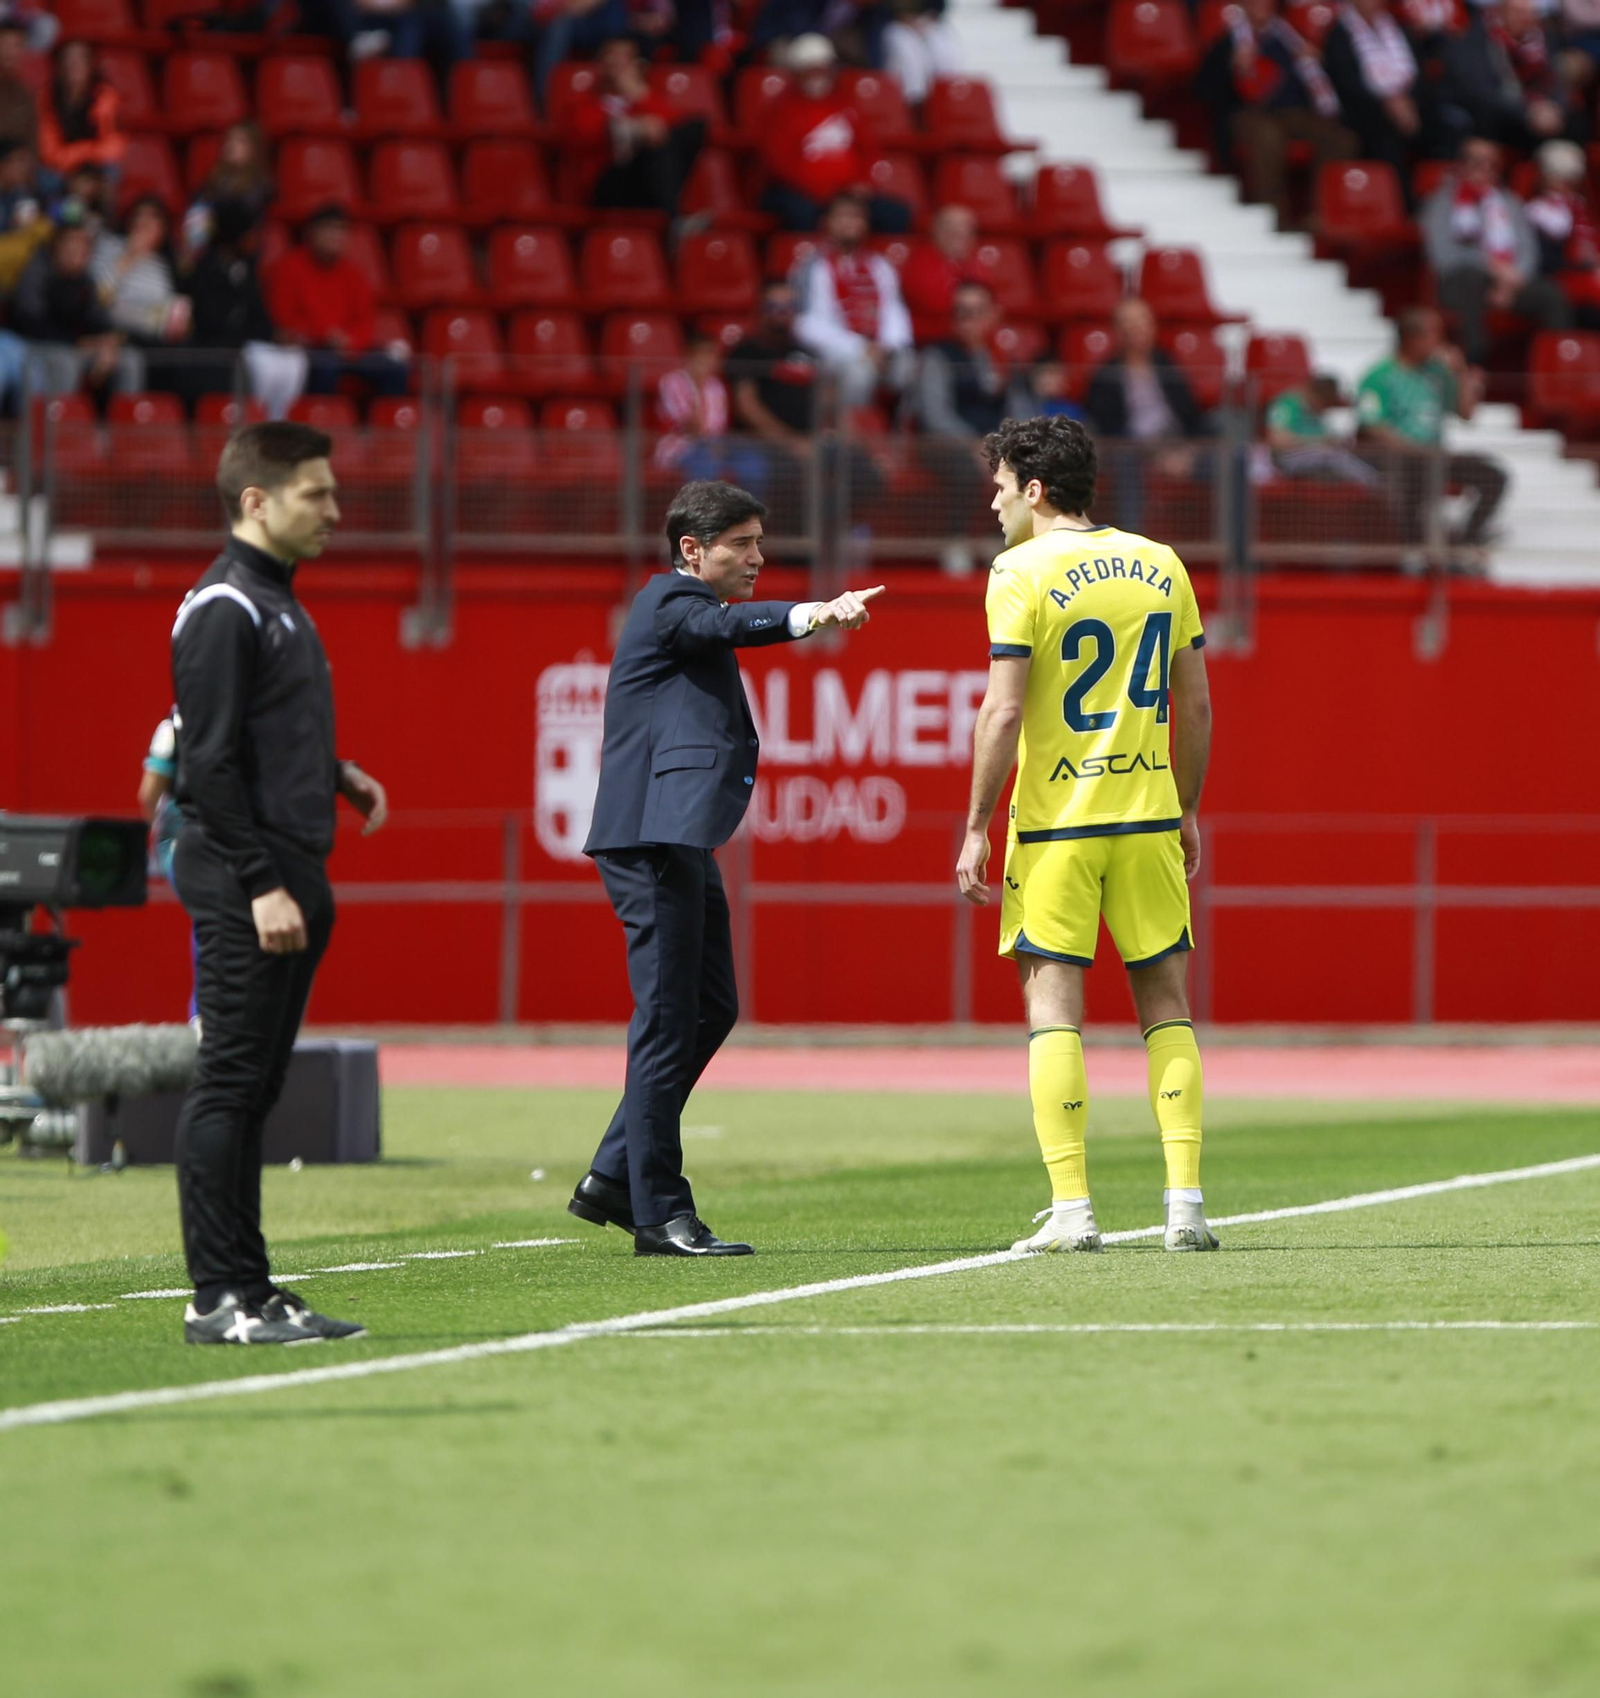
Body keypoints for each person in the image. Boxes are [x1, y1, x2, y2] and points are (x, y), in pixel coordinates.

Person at [572, 480, 885, 1256]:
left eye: (758, 541)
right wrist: (813, 613)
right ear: (691, 551)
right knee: (667, 1021)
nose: (758, 556)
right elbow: (722, 624)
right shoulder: (664, 601)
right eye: (741, 543)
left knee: (710, 1008)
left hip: (677, 837)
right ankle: (659, 1213)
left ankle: (615, 1176)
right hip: (651, 838)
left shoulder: (681, 609)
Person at [956, 413, 1217, 1255]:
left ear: (1034, 489)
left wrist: (973, 825)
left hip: (1060, 825)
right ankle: (1186, 1205)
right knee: (1166, 1005)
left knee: (1052, 1007)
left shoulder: (1017, 570)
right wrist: (1188, 807)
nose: (994, 506)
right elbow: (1199, 704)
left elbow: (1001, 709)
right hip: (1146, 816)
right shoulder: (1160, 561)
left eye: (999, 489)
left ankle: (1073, 1209)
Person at [169, 421, 390, 1344]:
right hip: (243, 876)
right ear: (255, 501)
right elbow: (205, 768)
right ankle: (215, 1296)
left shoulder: (276, 603)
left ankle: (254, 1290)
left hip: (292, 866)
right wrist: (261, 884)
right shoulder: (227, 605)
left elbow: (253, 735)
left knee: (256, 1088)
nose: (335, 510)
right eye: (316, 494)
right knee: (228, 1083)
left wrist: (334, 773)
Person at [1356, 304, 1508, 552]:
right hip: (1402, 459)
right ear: (1411, 339)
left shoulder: (1436, 373)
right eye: (1433, 335)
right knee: (1415, 482)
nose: (1440, 342)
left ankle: (1466, 539)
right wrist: (1413, 449)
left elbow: (1466, 413)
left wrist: (1461, 374)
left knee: (1493, 476)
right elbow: (1373, 425)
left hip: (1435, 456)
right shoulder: (1378, 376)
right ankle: (1414, 549)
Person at [1197, 0, 1356, 229]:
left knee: (1340, 138)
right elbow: (1203, 89)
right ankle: (1273, 218)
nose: (1261, 5)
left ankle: (1321, 216)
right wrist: (1230, 64)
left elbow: (1322, 84)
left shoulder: (1292, 39)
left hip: (1294, 112)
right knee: (1267, 137)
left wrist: (1320, 62)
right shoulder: (1229, 41)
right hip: (1250, 113)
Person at [1421, 135, 1572, 366]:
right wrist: (1492, 269)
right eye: (1477, 162)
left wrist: (1511, 280)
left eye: (1491, 163)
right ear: (1461, 165)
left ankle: (1555, 370)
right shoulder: (1441, 203)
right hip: (1463, 281)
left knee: (1551, 295)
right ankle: (1476, 362)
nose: (1485, 169)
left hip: (1512, 281)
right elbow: (1442, 255)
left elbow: (1528, 249)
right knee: (1470, 280)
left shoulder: (1509, 202)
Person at [915, 281, 1036, 570]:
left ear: (993, 314)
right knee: (963, 469)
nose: (969, 320)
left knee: (1025, 463)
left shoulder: (1004, 357)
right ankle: (955, 542)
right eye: (962, 312)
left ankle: (1006, 540)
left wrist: (1004, 446)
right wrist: (973, 445)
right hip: (944, 443)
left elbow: (1019, 410)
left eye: (977, 312)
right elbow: (935, 414)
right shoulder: (938, 356)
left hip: (994, 445)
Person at [760, 34, 911, 233]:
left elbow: (867, 149)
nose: (818, 76)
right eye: (811, 71)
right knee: (800, 214)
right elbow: (779, 163)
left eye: (822, 70)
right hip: (803, 193)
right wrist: (827, 193)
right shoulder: (782, 110)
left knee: (897, 214)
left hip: (848, 194)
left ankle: (867, 263)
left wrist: (862, 184)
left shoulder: (845, 106)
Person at [1322, 0, 1463, 199]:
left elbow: (1420, 72)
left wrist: (1409, 103)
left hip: (1410, 106)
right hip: (1367, 111)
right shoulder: (1340, 34)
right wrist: (1388, 104)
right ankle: (1402, 208)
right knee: (1386, 136)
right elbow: (1347, 84)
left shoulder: (1398, 27)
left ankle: (1442, 200)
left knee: (1452, 123)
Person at [268, 203, 408, 399]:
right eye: (329, 229)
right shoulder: (288, 268)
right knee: (326, 366)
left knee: (395, 369)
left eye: (341, 230)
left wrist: (349, 341)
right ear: (312, 232)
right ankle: (323, 423)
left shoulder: (354, 274)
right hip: (312, 349)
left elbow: (365, 322)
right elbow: (284, 316)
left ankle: (382, 427)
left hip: (349, 349)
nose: (335, 236)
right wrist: (324, 336)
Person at [187, 198, 309, 417]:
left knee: (293, 358)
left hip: (248, 347)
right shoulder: (205, 270)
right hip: (213, 355)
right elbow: (211, 322)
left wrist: (276, 335)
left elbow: (259, 317)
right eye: (250, 232)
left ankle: (277, 421)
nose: (255, 239)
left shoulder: (247, 270)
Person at [791, 191, 914, 407]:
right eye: (843, 216)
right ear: (827, 221)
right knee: (858, 372)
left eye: (856, 216)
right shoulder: (812, 267)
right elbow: (807, 323)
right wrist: (859, 348)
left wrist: (888, 347)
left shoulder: (880, 266)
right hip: (835, 349)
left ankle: (902, 436)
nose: (850, 222)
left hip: (880, 348)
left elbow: (894, 311)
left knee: (909, 367)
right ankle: (851, 435)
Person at [567, 36, 704, 221]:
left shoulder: (643, 99)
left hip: (646, 177)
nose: (619, 63)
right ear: (600, 64)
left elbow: (673, 125)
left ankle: (672, 220)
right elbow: (587, 134)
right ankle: (675, 221)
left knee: (692, 128)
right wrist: (637, 129)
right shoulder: (586, 103)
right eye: (611, 56)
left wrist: (638, 94)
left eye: (626, 58)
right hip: (608, 183)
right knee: (659, 144)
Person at [11, 217, 144, 397]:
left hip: (75, 345)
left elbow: (98, 319)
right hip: (34, 345)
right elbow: (30, 322)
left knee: (130, 360)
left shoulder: (85, 281)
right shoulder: (37, 272)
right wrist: (77, 342)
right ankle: (61, 420)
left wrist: (110, 341)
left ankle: (124, 421)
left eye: (83, 246)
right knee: (66, 362)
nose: (77, 252)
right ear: (56, 247)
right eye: (71, 244)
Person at [1441, 0, 1580, 150]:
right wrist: (1526, 112)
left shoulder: (1545, 38)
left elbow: (1558, 78)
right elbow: (1479, 90)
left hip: (1545, 115)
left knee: (1578, 123)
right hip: (1502, 118)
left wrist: (1555, 108)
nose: (1524, 18)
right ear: (1501, 12)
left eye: (1528, 13)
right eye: (1517, 13)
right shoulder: (1478, 37)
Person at [654, 331, 767, 490]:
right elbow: (692, 425)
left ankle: (749, 514)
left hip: (715, 446)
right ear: (689, 357)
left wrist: (719, 446)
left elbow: (718, 428)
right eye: (701, 356)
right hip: (681, 448)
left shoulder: (716, 387)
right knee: (704, 462)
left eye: (711, 356)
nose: (707, 362)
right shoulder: (672, 382)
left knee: (751, 462)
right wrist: (697, 386)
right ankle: (703, 514)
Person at [899, 203, 997, 343]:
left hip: (971, 345)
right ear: (936, 230)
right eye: (951, 228)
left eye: (966, 228)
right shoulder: (919, 263)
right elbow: (935, 305)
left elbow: (990, 308)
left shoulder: (977, 264)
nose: (959, 233)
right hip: (932, 343)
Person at [181, 121, 274, 267]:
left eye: (240, 141)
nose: (231, 145)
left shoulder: (259, 185)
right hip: (207, 256)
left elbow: (241, 217)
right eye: (229, 140)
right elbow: (197, 212)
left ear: (254, 149)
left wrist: (213, 213)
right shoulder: (213, 181)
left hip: (238, 258)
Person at [1525, 135, 1600, 311]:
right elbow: (1550, 258)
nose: (1566, 184)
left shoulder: (1580, 204)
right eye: (1560, 177)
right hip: (1563, 274)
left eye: (1570, 179)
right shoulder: (1537, 210)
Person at [1264, 371, 1381, 484]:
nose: (1325, 408)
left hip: (1317, 458)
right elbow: (1278, 441)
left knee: (1350, 453)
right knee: (1333, 457)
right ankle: (1374, 484)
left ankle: (1372, 484)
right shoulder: (1287, 404)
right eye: (1324, 403)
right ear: (1314, 394)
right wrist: (1318, 442)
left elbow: (1328, 437)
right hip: (1289, 458)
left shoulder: (1316, 413)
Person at [38, 39, 125, 184]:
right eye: (69, 59)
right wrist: (77, 158)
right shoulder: (45, 99)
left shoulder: (106, 97)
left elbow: (114, 146)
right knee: (45, 177)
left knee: (111, 171)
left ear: (91, 64)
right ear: (59, 66)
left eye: (80, 58)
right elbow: (48, 151)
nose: (75, 64)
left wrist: (79, 154)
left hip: (95, 166)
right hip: (61, 168)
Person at [0, 14, 38, 152]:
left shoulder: (24, 92)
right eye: (4, 44)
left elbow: (32, 140)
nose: (10, 52)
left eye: (15, 46)